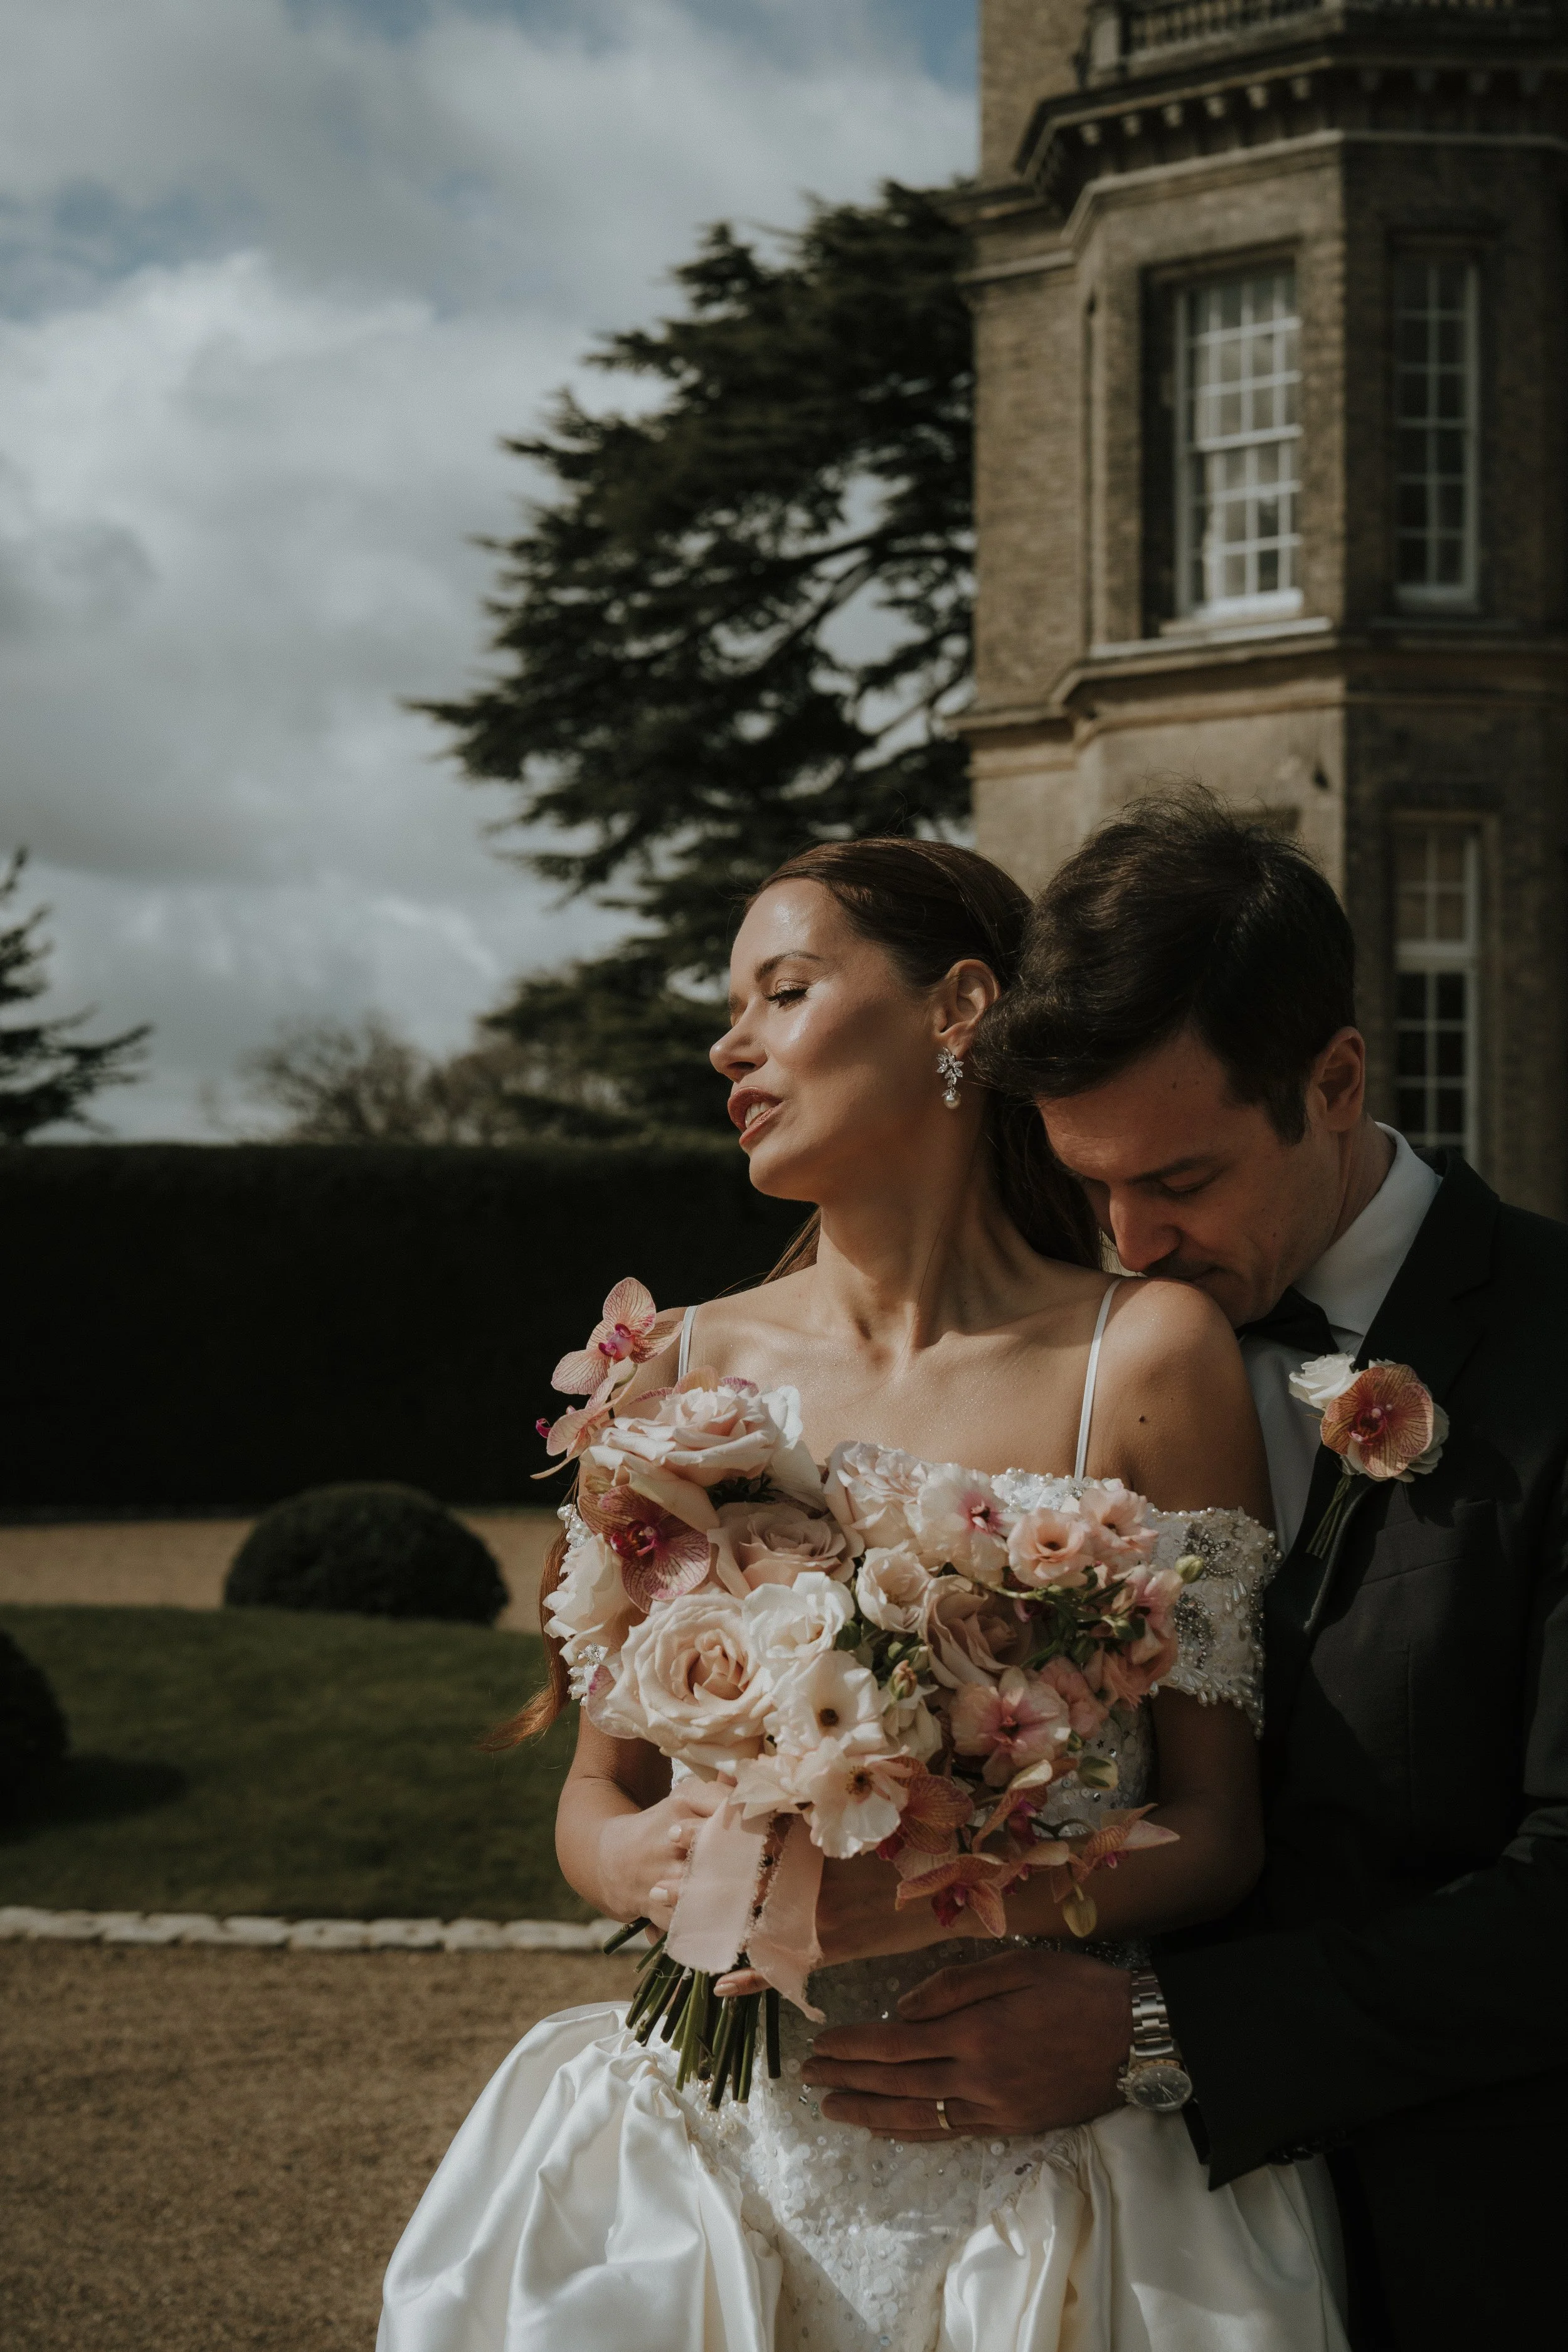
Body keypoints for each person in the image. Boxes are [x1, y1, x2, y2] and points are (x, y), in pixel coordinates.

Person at [379, 835, 1348, 2352]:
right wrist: (642, 1868)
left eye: (781, 989)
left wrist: (936, 1897)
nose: (728, 1042)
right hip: (697, 2163)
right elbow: (593, 1799)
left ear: (957, 1007)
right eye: (730, 1008)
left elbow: (1219, 1833)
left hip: (1046, 2175)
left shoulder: (1145, 1358)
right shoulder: (668, 1374)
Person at [802, 794, 1568, 2351]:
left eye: (1180, 1180)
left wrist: (1165, 2034)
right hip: (1094, 2253)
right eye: (1088, 1187)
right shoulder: (1082, 1362)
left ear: (1335, 1080)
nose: (1129, 1243)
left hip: (1465, 2239)